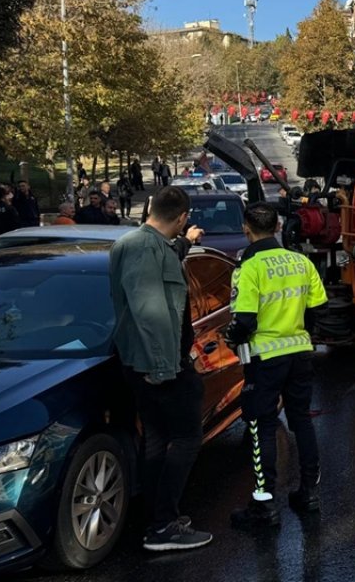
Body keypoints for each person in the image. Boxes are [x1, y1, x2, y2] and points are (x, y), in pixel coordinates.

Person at [109, 187, 211, 551]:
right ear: (182, 216)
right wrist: (164, 368)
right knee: (186, 438)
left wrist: (186, 242)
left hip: (149, 364)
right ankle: (164, 526)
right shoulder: (144, 249)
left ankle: (156, 518)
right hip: (159, 365)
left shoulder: (144, 244)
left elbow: (165, 262)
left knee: (156, 440)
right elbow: (149, 313)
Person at [225, 202, 327, 528]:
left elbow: (244, 321)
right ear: (279, 226)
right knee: (302, 421)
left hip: (264, 359)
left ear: (246, 229)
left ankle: (264, 505)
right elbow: (317, 309)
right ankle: (309, 492)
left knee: (261, 426)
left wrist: (233, 338)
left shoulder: (249, 268)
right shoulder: (301, 262)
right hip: (299, 353)